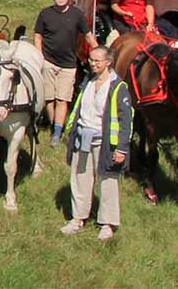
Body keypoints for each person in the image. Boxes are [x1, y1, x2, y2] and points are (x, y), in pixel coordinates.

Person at [61, 45, 132, 241]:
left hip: (106, 143)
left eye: (97, 60)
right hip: (82, 139)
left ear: (108, 62)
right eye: (91, 60)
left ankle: (107, 223)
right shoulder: (88, 82)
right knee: (80, 178)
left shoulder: (118, 87)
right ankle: (78, 218)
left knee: (108, 182)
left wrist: (121, 149)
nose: (92, 63)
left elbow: (126, 122)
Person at [34, 0, 97, 147]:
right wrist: (39, 57)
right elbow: (38, 36)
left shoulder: (77, 15)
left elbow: (88, 35)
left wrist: (98, 50)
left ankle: (56, 133)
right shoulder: (45, 14)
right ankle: (54, 122)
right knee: (49, 98)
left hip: (69, 64)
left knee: (62, 99)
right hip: (48, 61)